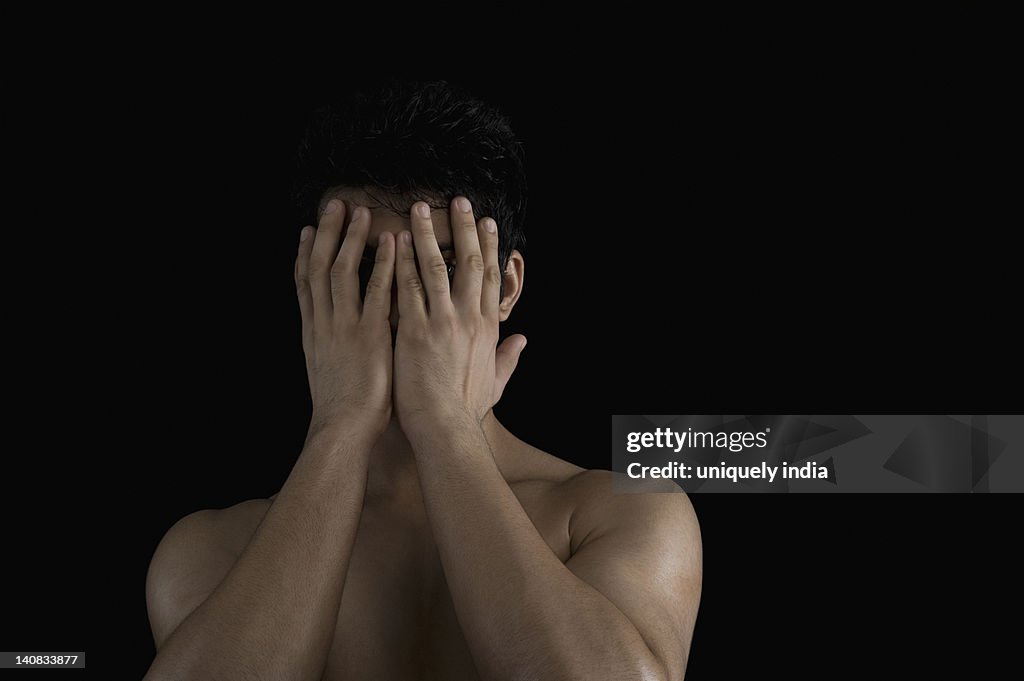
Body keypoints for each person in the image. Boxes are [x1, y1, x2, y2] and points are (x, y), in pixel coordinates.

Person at [143, 81, 702, 681]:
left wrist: (447, 429)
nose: (399, 306)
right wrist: (341, 426)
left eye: (435, 267)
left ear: (506, 287)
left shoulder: (619, 512)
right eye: (362, 271)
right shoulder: (216, 548)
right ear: (310, 284)